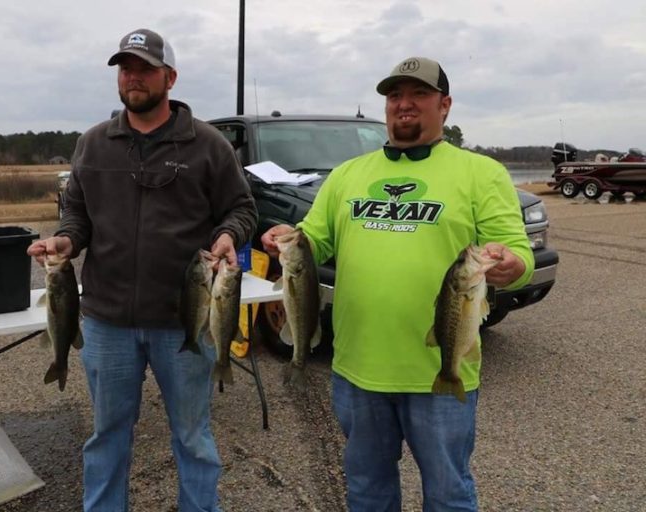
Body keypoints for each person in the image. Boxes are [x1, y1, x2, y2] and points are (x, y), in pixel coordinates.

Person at [261, 57, 535, 511]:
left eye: (419, 95)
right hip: (357, 369)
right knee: (368, 491)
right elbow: (315, 243)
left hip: (439, 369)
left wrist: (512, 265)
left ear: (444, 105)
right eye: (394, 96)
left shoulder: (481, 173)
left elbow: (517, 252)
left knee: (448, 493)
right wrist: (287, 241)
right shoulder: (347, 175)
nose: (404, 105)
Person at [27, 28, 257, 512]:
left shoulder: (208, 144)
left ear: (169, 77)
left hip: (184, 323)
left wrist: (227, 236)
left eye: (144, 68)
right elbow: (77, 216)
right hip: (107, 322)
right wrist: (65, 239)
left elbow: (241, 209)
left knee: (192, 436)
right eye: (125, 68)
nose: (132, 77)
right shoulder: (93, 143)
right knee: (107, 434)